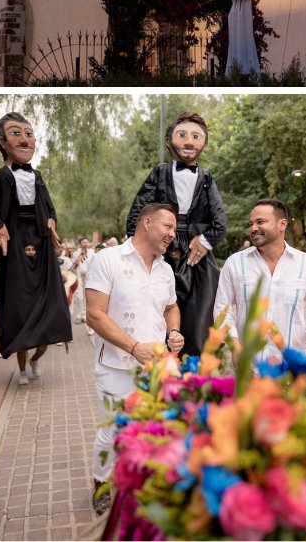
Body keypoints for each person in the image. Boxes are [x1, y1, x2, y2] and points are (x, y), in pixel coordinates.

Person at [85, 202, 184, 514]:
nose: (173, 234)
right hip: (115, 365)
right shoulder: (108, 259)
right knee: (113, 431)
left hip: (156, 367)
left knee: (157, 427)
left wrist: (174, 332)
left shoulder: (166, 269)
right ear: (147, 223)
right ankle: (101, 482)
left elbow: (171, 307)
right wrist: (132, 347)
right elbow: (94, 314)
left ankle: (146, 486)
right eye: (168, 227)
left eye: (174, 229)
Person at [0, 112, 72, 387]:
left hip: (41, 237)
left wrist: (52, 225)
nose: (24, 139)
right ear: (2, 141)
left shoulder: (38, 176)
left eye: (29, 133)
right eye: (16, 133)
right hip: (15, 236)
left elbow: (49, 206)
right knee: (20, 303)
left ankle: (37, 358)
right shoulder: (0, 176)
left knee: (50, 300)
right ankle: (21, 367)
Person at [125, 111, 226, 355]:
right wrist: (137, 249)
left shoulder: (206, 178)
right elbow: (137, 215)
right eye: (182, 135)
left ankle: (195, 373)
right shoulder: (159, 173)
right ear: (169, 141)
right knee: (155, 310)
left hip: (197, 258)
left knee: (199, 317)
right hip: (162, 253)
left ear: (204, 143)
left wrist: (205, 240)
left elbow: (220, 222)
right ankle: (155, 370)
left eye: (196, 136)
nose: (189, 141)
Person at [213, 198, 306, 360]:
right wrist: (234, 346)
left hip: (293, 368)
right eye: (251, 224)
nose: (253, 228)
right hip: (247, 368)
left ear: (282, 225)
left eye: (260, 222)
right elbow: (223, 310)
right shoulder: (234, 263)